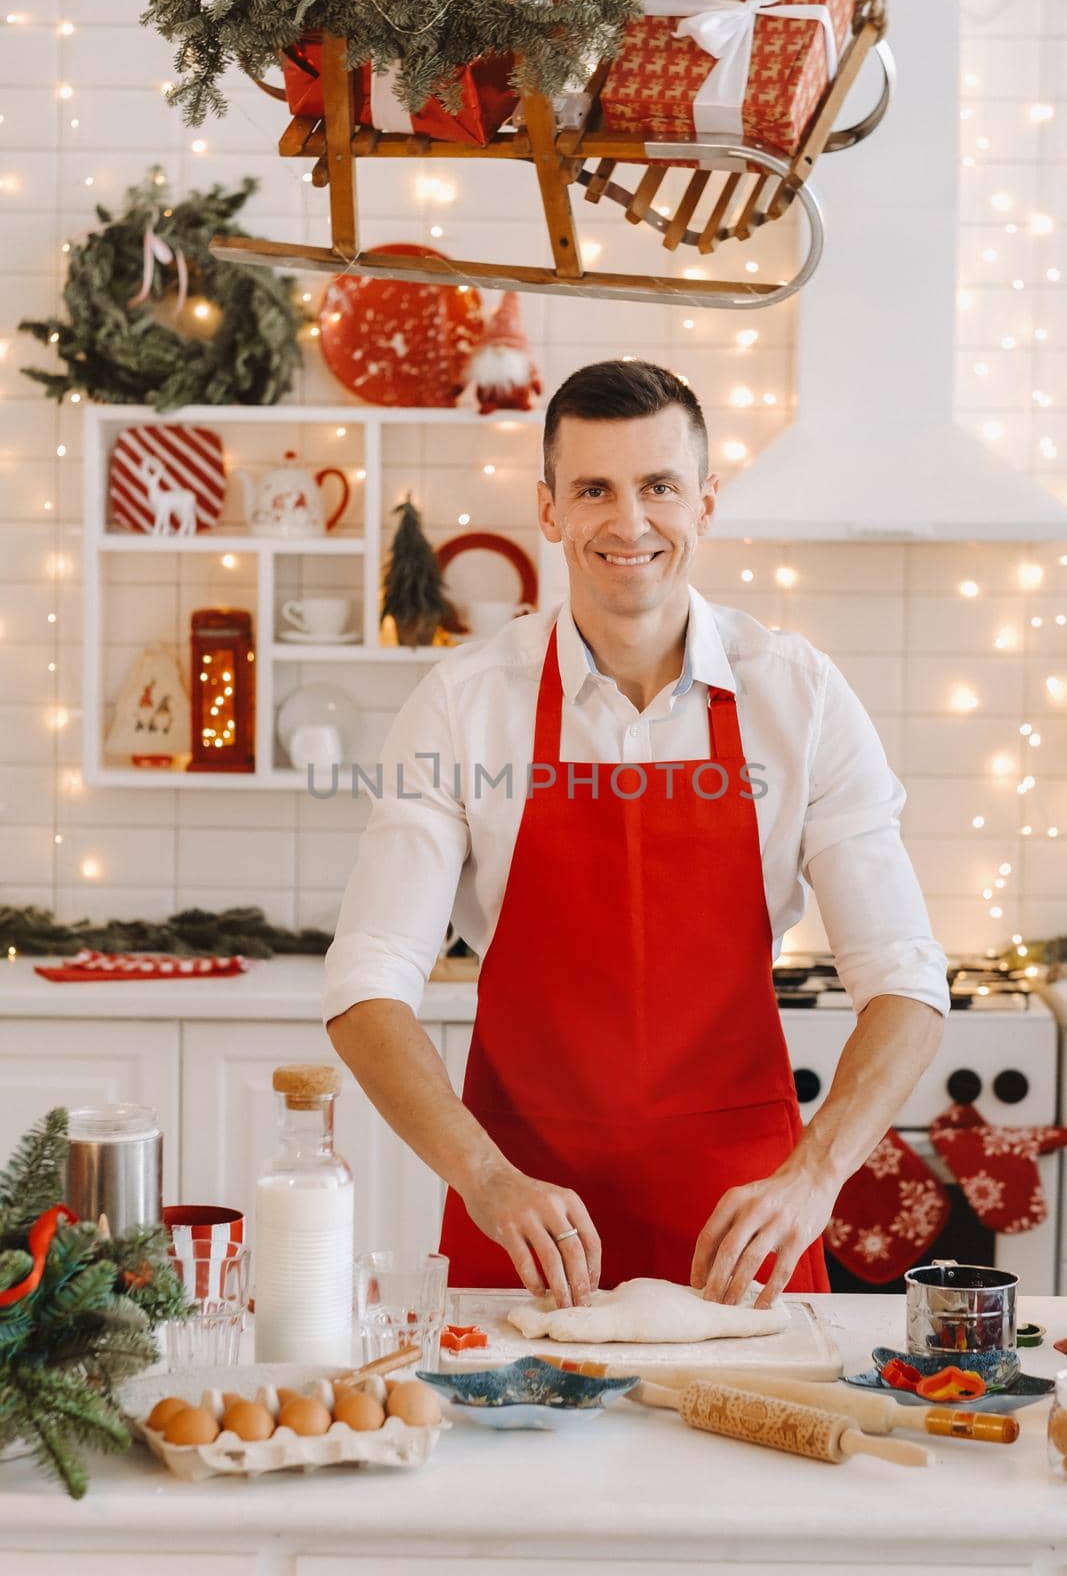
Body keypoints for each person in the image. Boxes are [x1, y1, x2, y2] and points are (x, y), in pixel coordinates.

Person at [324, 359, 948, 1310]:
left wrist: (812, 1179)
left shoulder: (798, 695)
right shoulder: (461, 703)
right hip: (524, 1211)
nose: (628, 522)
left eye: (657, 486)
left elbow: (903, 977)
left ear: (704, 501)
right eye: (593, 489)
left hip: (740, 1216)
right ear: (547, 509)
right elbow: (366, 984)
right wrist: (485, 1180)